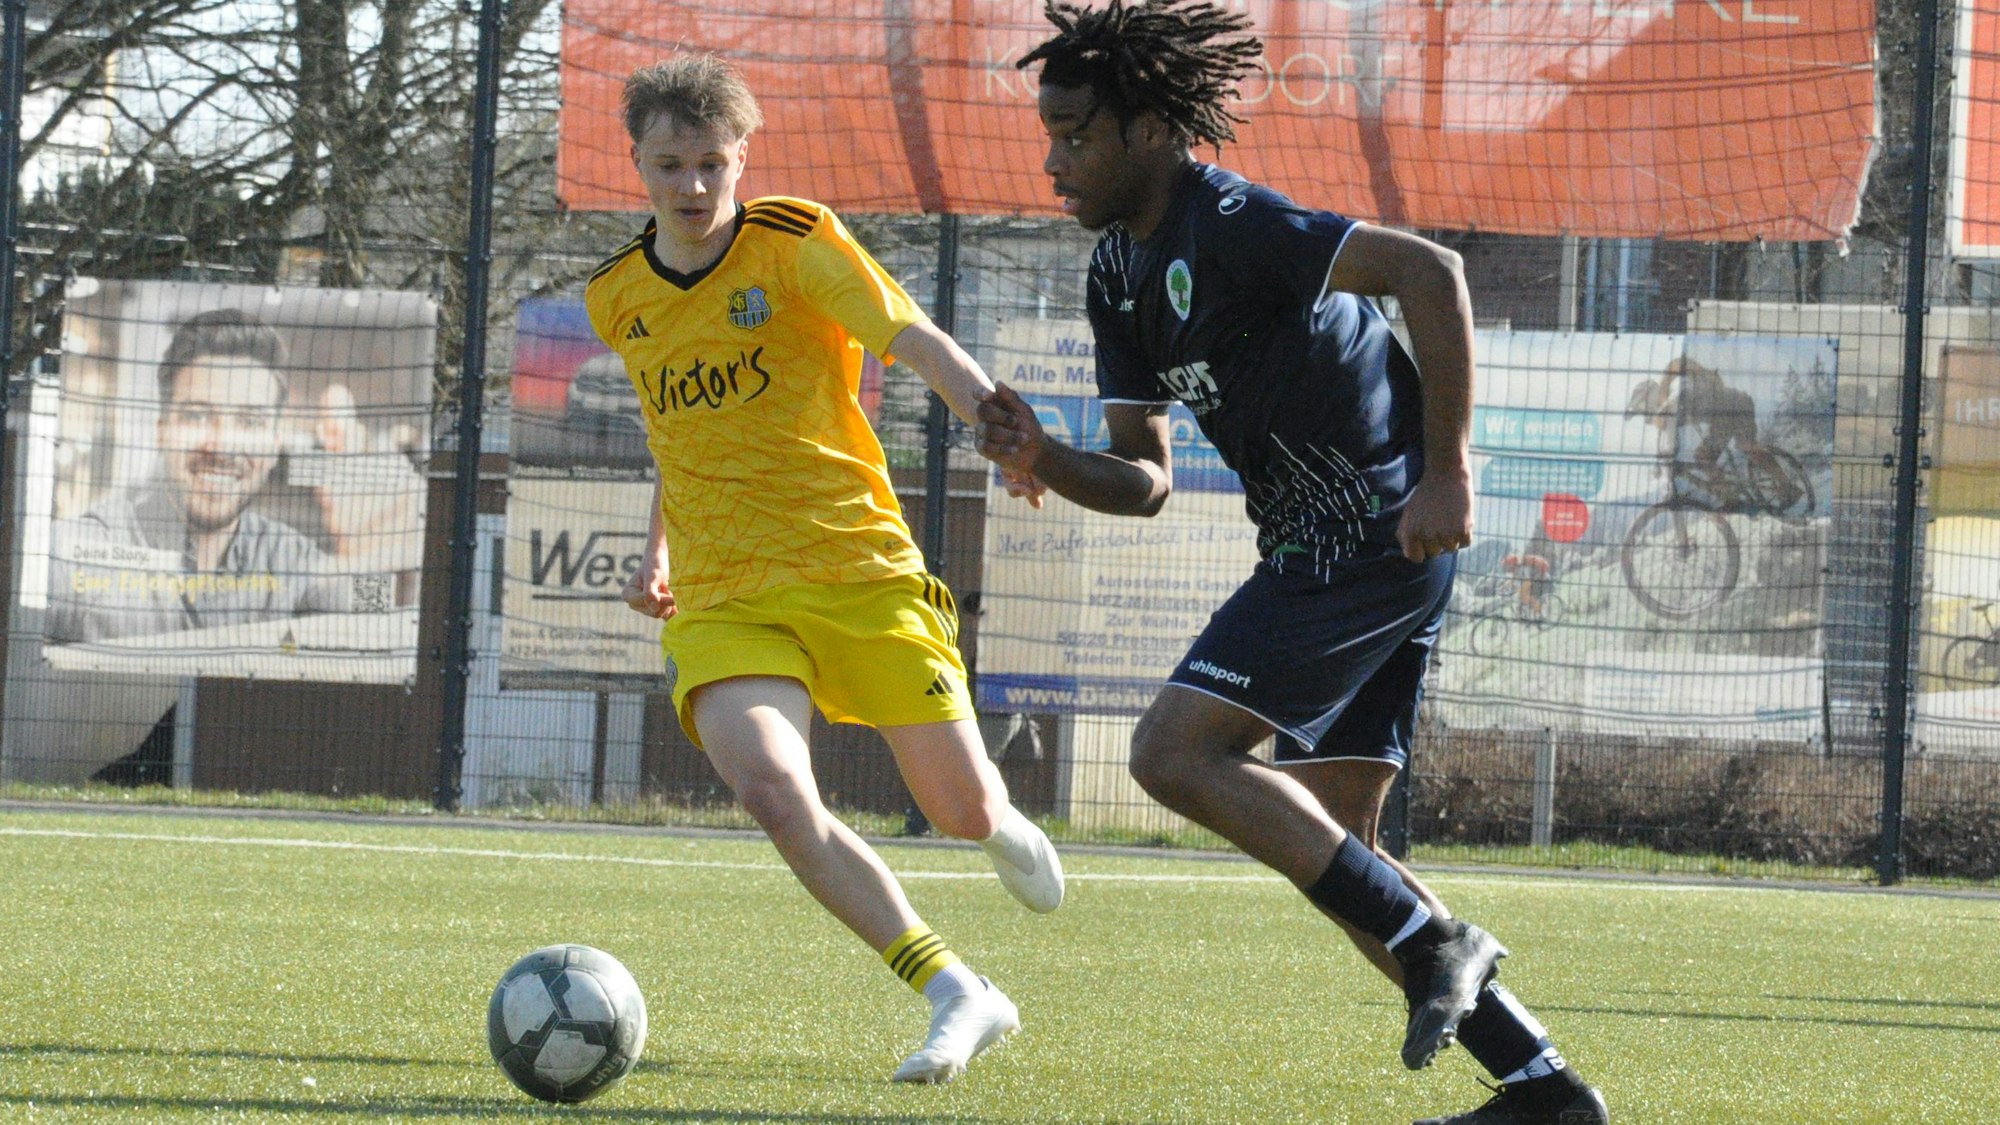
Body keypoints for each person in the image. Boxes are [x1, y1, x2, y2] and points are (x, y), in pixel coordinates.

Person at [978, 4, 1607, 1122]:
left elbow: (1429, 273)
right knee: (1342, 854)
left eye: (1074, 134)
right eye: (1049, 135)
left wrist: (1448, 473)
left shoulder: (1231, 220)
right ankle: (1542, 1087)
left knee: (1172, 753)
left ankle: (1445, 944)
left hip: (1368, 537)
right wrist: (1045, 456)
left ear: (1149, 131)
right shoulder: (1116, 275)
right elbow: (1145, 479)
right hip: (1331, 551)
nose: (1052, 162)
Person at [590, 54, 1063, 1085]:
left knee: (959, 811)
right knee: (773, 792)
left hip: (857, 569)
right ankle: (955, 988)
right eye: (669, 164)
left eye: (711, 163)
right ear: (636, 163)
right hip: (727, 598)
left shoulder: (795, 241)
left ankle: (994, 818)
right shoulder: (615, 297)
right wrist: (655, 549)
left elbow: (915, 339)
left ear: (741, 157)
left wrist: (1000, 432)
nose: (692, 185)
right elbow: (678, 435)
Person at [47, 309, 353, 643]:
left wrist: (380, 552)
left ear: (274, 445)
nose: (222, 447)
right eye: (197, 416)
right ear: (162, 431)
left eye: (250, 422)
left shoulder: (293, 560)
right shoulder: (80, 552)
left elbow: (379, 601)